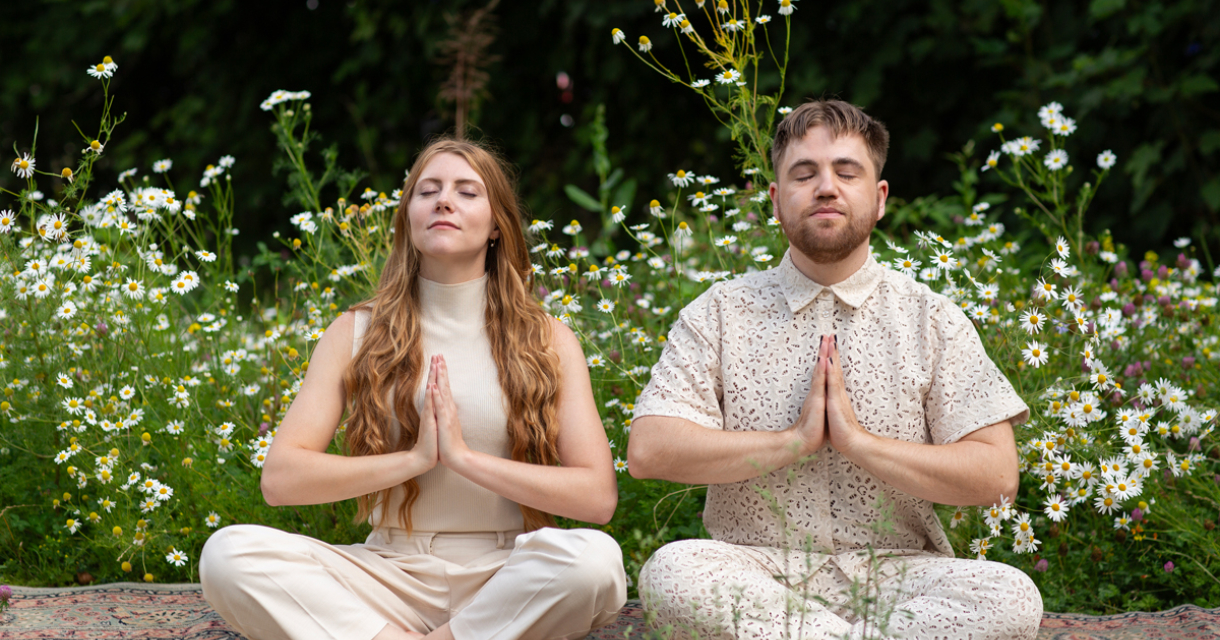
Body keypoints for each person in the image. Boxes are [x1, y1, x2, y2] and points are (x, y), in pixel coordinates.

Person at [627, 100, 1043, 639]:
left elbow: (996, 475)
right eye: (805, 174)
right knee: (674, 572)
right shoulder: (719, 312)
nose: (827, 187)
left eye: (847, 172)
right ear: (777, 201)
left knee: (1011, 596)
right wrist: (795, 441)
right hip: (753, 572)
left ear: (880, 197)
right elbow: (650, 448)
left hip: (899, 575)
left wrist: (857, 442)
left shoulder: (931, 317)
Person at [201, 137, 627, 640]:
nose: (444, 200)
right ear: (408, 218)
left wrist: (464, 459)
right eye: (429, 190)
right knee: (228, 554)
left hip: (507, 574)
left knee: (595, 561)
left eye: (467, 191)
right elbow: (281, 479)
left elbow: (597, 498)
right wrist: (415, 459)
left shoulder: (549, 339)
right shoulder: (355, 332)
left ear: (496, 226)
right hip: (386, 574)